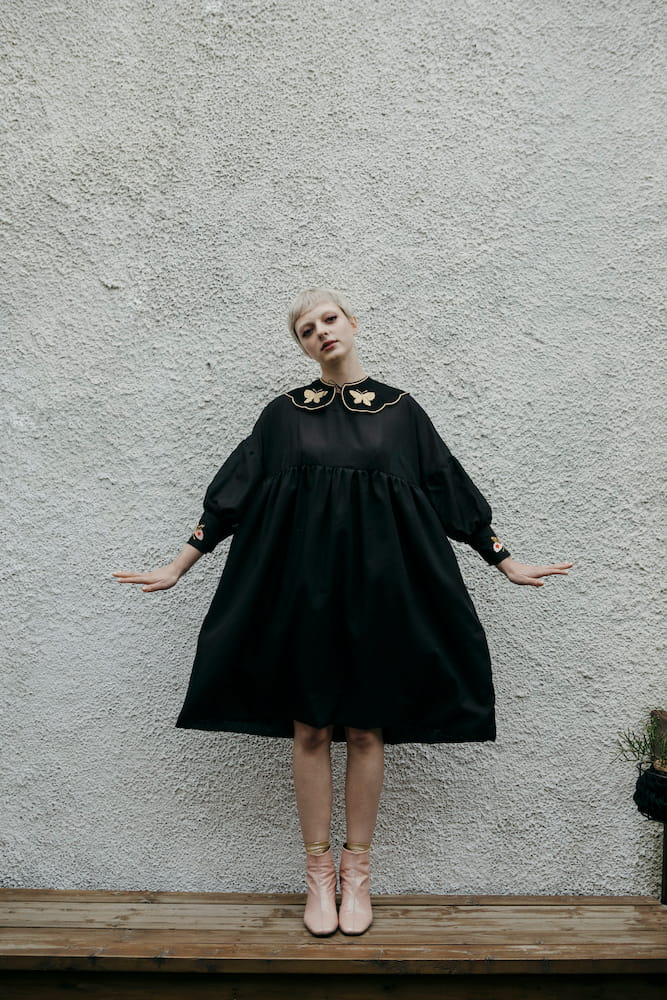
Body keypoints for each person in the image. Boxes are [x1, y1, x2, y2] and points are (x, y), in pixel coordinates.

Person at [113, 287, 573, 937]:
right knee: (307, 730)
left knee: (363, 730)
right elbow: (233, 493)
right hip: (303, 596)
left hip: (379, 597)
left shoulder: (400, 412)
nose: (320, 331)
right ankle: (317, 877)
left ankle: (358, 877)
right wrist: (177, 564)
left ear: (352, 324)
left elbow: (447, 486)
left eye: (328, 319)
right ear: (299, 344)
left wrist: (504, 559)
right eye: (306, 328)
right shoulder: (282, 416)